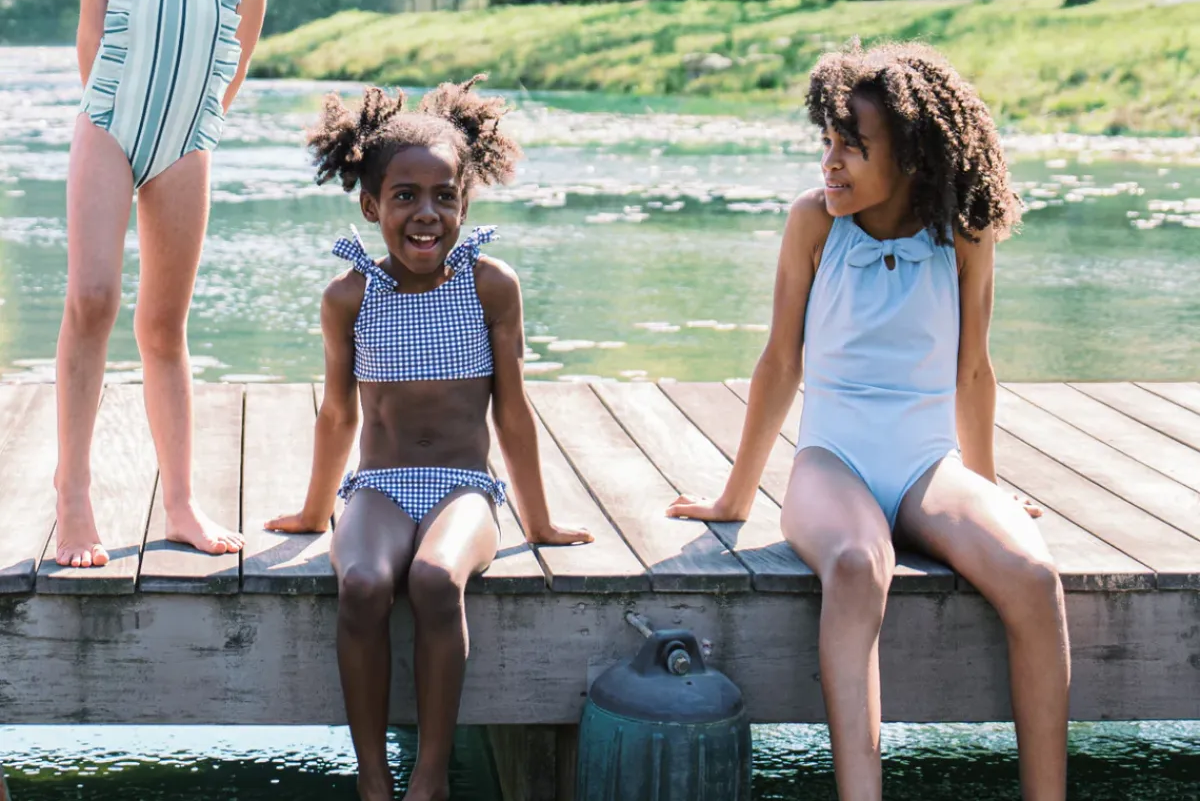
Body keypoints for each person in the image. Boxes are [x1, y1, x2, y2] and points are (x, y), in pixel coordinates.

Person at [668, 42, 1070, 801]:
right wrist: (734, 498)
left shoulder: (963, 232)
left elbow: (973, 372)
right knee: (857, 564)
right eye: (827, 140)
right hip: (833, 460)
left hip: (928, 463)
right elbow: (779, 364)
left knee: (1034, 574)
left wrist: (986, 492)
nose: (830, 162)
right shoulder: (813, 224)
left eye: (852, 146)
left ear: (911, 156)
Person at [268, 77, 592, 801]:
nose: (426, 213)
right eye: (405, 196)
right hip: (379, 488)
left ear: (465, 203)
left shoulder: (488, 285)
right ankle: (373, 778)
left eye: (444, 196)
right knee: (362, 583)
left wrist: (538, 522)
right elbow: (338, 416)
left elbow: (513, 413)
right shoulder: (350, 297)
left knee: (436, 580)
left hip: (464, 490)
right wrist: (315, 513)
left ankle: (430, 777)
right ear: (371, 206)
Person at [55, 0, 269, 566]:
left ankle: (179, 500)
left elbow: (238, 52)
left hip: (187, 139)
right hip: (110, 125)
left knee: (164, 326)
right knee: (92, 298)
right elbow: (90, 37)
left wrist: (190, 130)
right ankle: (73, 497)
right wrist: (115, 122)